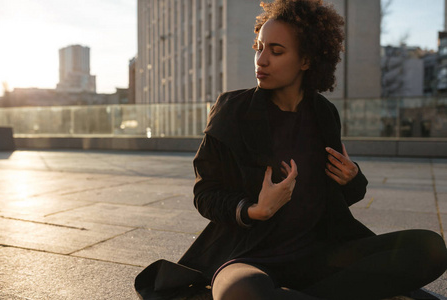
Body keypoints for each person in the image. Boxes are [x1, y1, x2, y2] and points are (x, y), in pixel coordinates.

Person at [135, 0, 447, 299]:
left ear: (307, 60)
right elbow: (205, 194)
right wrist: (254, 209)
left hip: (319, 256)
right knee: (239, 293)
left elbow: (334, 201)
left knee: (430, 248)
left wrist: (352, 179)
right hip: (250, 257)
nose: (262, 59)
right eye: (259, 48)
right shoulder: (231, 110)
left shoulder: (324, 114)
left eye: (276, 50)